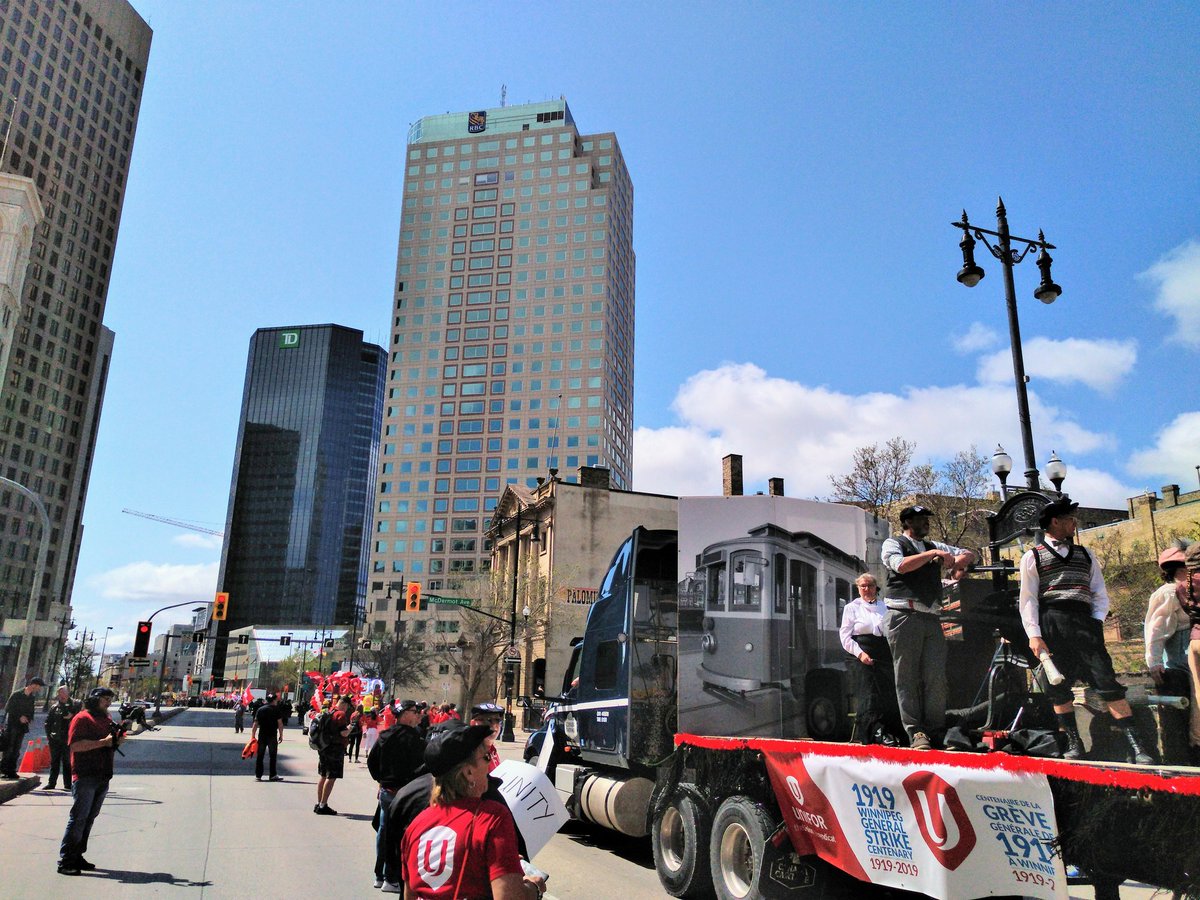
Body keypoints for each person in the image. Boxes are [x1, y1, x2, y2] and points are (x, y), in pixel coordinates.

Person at [1020, 497, 1154, 765]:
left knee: (1106, 681)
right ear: (1055, 521)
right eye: (1069, 519)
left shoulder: (1085, 554)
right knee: (1057, 685)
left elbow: (1099, 593)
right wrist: (1034, 634)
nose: (1074, 523)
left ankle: (1136, 744)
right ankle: (1073, 741)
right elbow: (1029, 599)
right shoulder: (1032, 556)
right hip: (1052, 622)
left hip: (1084, 624)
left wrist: (1095, 621)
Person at [401, 722, 546, 900]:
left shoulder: (417, 824)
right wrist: (533, 888)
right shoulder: (492, 817)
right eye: (485, 758)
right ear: (468, 773)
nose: (490, 765)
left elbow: (409, 895)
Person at [880, 506, 975, 750]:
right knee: (907, 677)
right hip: (903, 616)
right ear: (908, 522)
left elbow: (969, 554)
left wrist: (956, 562)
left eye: (927, 520)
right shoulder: (894, 543)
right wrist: (932, 555)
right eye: (921, 520)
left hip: (931, 618)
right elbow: (899, 565)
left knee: (936, 677)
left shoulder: (935, 545)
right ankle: (916, 732)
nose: (926, 523)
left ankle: (936, 729)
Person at [57, 687, 125, 875]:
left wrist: (118, 739)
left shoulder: (106, 719)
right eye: (105, 700)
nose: (108, 703)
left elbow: (111, 742)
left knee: (89, 819)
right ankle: (66, 860)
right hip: (85, 775)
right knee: (79, 818)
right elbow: (76, 746)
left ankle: (78, 855)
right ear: (95, 700)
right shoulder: (82, 718)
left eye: (110, 700)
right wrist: (103, 742)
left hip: (103, 775)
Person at [368, 699, 427, 892]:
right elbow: (422, 766)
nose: (418, 714)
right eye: (414, 710)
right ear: (404, 714)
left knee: (385, 831)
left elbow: (372, 761)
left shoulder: (386, 735)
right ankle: (391, 877)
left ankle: (381, 875)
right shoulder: (414, 738)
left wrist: (382, 780)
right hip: (404, 793)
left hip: (388, 791)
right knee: (401, 835)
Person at [839, 574, 901, 746]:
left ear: (876, 587)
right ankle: (875, 732)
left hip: (884, 652)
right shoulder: (852, 608)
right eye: (863, 586)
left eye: (870, 586)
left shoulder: (885, 606)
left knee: (888, 693)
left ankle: (892, 731)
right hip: (861, 652)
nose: (867, 589)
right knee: (869, 693)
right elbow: (845, 636)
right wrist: (860, 654)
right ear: (858, 588)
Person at [2, 676, 46, 779]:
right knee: (9, 748)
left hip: (22, 727)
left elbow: (31, 711)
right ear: (33, 684)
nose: (39, 689)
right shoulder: (17, 694)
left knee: (16, 749)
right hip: (12, 726)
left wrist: (29, 718)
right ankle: (4, 770)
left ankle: (12, 770)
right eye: (39, 686)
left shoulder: (31, 698)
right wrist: (19, 717)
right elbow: (9, 708)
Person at [315, 695, 352, 815]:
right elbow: (344, 733)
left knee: (323, 775)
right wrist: (351, 728)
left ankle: (319, 802)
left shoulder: (329, 711)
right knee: (331, 777)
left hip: (324, 747)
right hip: (335, 749)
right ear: (345, 704)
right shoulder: (340, 714)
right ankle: (323, 805)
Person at [44, 684, 80, 790]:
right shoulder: (54, 707)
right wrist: (49, 736)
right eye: (59, 694)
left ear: (68, 693)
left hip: (68, 739)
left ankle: (68, 784)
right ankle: (51, 783)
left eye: (63, 693)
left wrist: (72, 715)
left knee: (67, 762)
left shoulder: (75, 705)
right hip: (55, 738)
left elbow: (81, 713)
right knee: (54, 761)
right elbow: (48, 722)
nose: (61, 696)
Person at [251, 692, 285, 781]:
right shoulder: (276, 710)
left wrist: (253, 736)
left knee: (260, 756)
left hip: (262, 735)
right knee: (272, 756)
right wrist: (281, 735)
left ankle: (258, 775)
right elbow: (280, 723)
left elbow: (255, 724)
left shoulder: (260, 709)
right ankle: (273, 775)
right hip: (272, 735)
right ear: (273, 700)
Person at [470, 703, 505, 771]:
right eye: (488, 720)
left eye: (497, 720)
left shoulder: (491, 750)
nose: (494, 725)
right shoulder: (471, 752)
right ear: (473, 723)